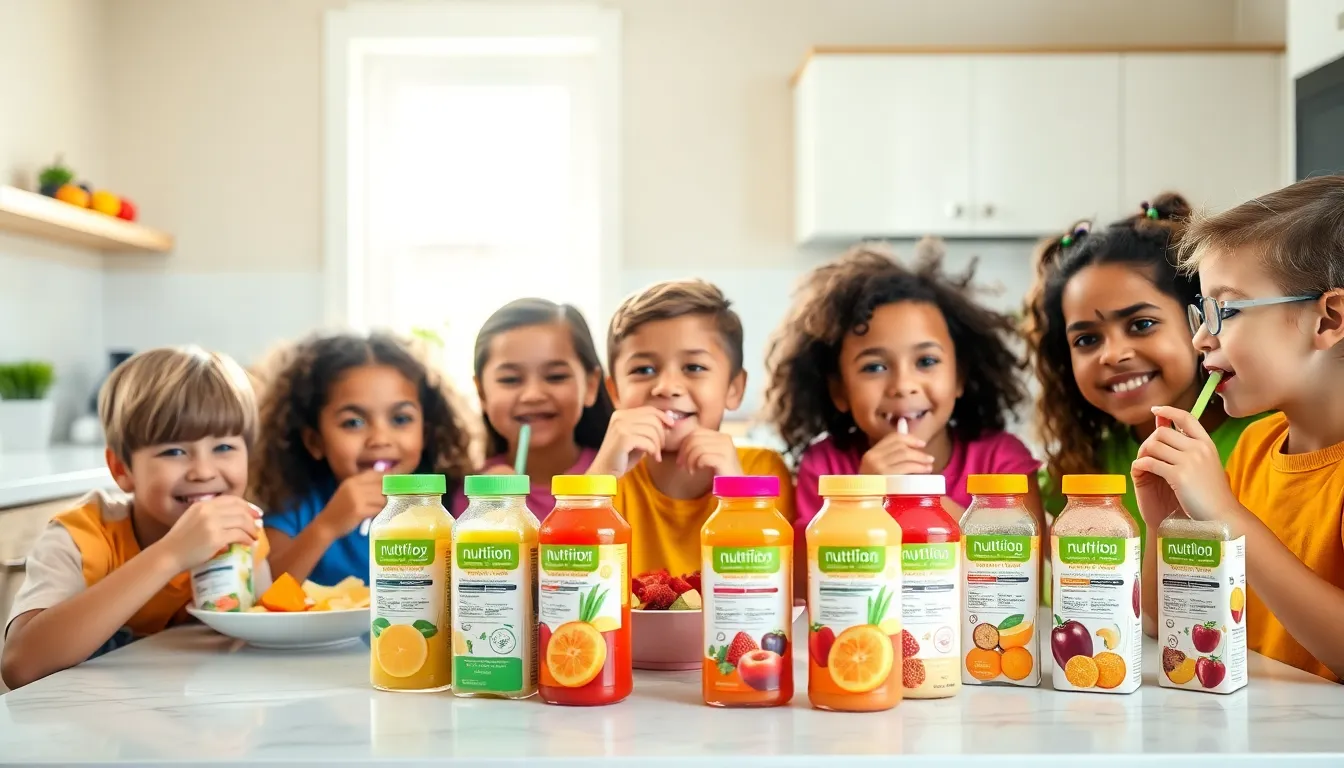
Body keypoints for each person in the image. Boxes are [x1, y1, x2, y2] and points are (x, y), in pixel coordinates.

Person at [1133, 175, 1344, 681]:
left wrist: (1227, 515)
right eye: (1202, 312)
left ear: (1328, 319)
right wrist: (1165, 527)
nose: (1202, 337)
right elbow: (1166, 625)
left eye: (1225, 310)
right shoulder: (1254, 446)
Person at [2, 347, 267, 689]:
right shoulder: (82, 538)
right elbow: (20, 665)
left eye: (224, 447)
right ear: (121, 469)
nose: (203, 471)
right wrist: (171, 554)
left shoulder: (242, 535)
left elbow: (257, 649)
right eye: (174, 451)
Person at [764, 238, 1041, 538]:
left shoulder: (1000, 461)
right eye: (874, 367)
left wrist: (918, 496)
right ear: (839, 391)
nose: (903, 386)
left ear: (960, 377)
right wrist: (862, 501)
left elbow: (1024, 562)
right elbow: (805, 575)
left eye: (926, 361)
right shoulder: (826, 467)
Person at [1026, 194, 1265, 540]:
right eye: (1087, 340)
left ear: (1197, 322)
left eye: (1141, 325)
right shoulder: (1073, 470)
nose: (1112, 355)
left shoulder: (1272, 441)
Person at [589, 280, 795, 578]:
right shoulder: (607, 478)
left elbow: (768, 589)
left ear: (734, 388)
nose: (667, 387)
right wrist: (602, 478)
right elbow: (568, 582)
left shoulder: (763, 472)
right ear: (615, 393)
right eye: (643, 370)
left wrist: (736, 489)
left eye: (694, 367)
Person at [252, 332, 474, 585]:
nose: (380, 439)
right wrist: (327, 526)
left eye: (400, 419)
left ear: (424, 432)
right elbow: (264, 589)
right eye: (353, 422)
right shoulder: (297, 506)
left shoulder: (448, 504)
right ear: (316, 441)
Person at [450, 299, 614, 517]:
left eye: (556, 376)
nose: (533, 395)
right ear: (481, 393)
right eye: (510, 379)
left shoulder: (619, 473)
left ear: (591, 384)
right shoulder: (471, 496)